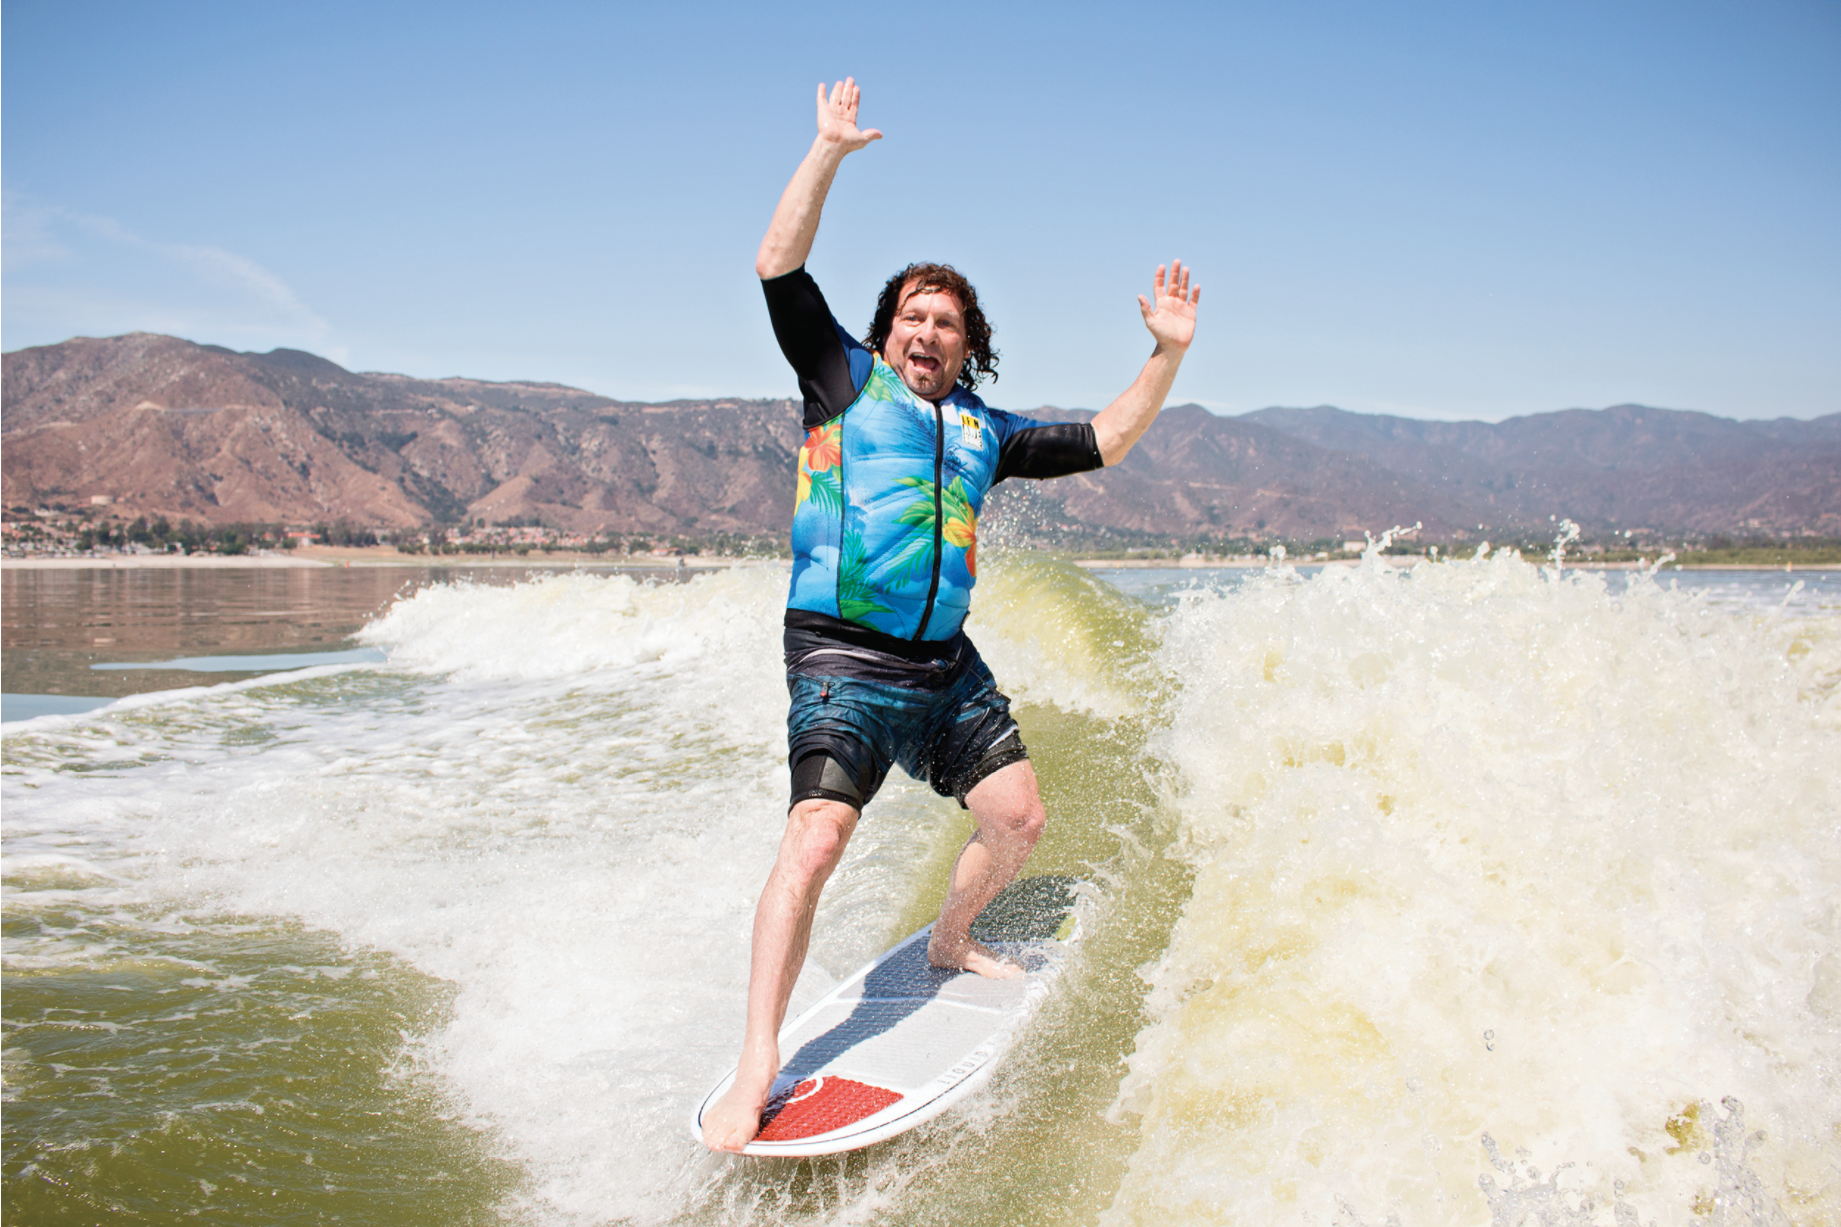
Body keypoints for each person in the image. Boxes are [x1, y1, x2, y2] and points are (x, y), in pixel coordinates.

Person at [702, 77, 1200, 1153]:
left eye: (947, 322)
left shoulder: (986, 431)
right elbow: (778, 266)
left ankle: (950, 938)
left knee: (1018, 820)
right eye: (912, 316)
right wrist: (826, 152)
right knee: (815, 839)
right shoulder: (841, 382)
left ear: (969, 346)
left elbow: (1105, 440)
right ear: (886, 333)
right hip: (840, 658)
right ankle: (758, 1059)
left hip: (944, 668)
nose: (927, 330)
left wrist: (1164, 354)